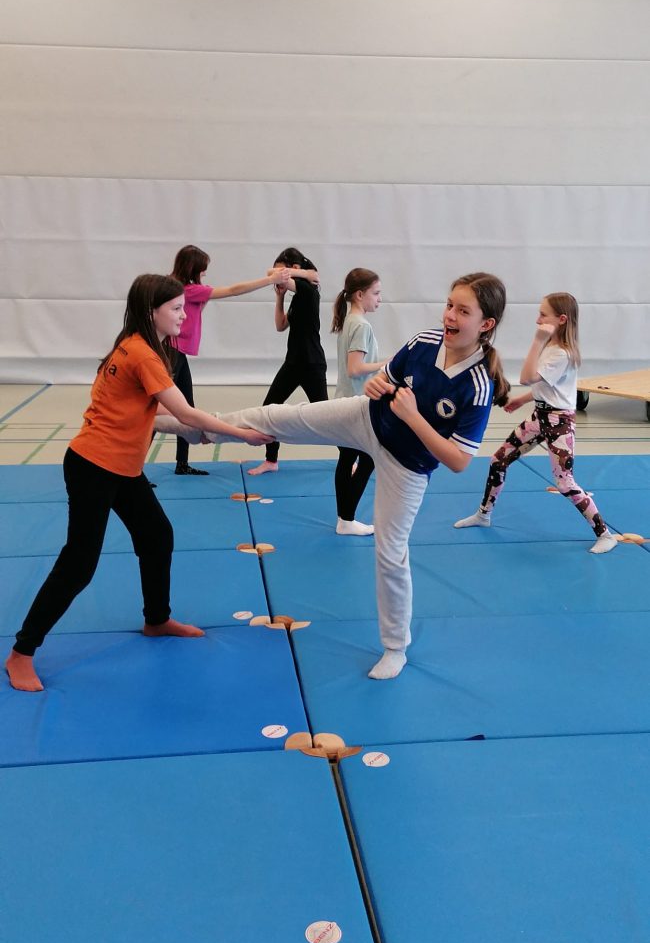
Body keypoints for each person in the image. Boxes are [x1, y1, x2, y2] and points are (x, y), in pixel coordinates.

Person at [155, 272, 509, 680]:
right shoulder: (425, 341)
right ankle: (192, 427)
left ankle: (395, 648)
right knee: (277, 417)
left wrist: (413, 418)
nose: (449, 315)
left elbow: (459, 461)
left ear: (485, 324)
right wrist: (379, 385)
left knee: (391, 552)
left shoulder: (478, 384)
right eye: (449, 305)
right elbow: (388, 378)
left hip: (408, 466)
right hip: (366, 420)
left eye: (462, 311)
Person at [4, 275, 266, 693]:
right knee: (79, 564)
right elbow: (185, 411)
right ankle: (21, 653)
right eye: (176, 309)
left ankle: (156, 619)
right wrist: (242, 434)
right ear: (151, 312)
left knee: (156, 535)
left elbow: (151, 413)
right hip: (94, 466)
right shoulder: (143, 355)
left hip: (121, 467)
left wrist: (194, 429)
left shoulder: (134, 344)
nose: (184, 316)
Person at [453, 292, 618, 554]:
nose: (538, 319)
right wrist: (522, 400)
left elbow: (526, 377)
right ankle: (484, 514)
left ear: (561, 319)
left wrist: (537, 340)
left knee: (565, 482)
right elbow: (547, 386)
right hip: (540, 417)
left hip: (559, 423)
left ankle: (605, 534)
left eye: (543, 315)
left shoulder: (561, 353)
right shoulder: (553, 347)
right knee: (498, 460)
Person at [170, 244, 291, 475]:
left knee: (185, 408)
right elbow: (234, 290)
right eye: (202, 268)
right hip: (172, 353)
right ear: (192, 268)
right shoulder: (189, 289)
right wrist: (270, 280)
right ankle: (137, 468)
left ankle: (181, 463)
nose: (205, 272)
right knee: (161, 411)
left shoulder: (178, 287)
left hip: (177, 353)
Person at [247, 248, 326, 477]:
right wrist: (280, 297)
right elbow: (280, 325)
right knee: (269, 409)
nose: (278, 276)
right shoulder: (297, 296)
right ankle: (271, 460)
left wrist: (306, 274)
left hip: (312, 364)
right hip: (293, 364)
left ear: (295, 269)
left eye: (283, 270)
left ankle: (351, 459)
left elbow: (270, 273)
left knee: (327, 418)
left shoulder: (308, 290)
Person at [331, 268, 384, 536]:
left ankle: (345, 519)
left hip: (345, 401)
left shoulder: (349, 321)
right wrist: (386, 364)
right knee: (368, 460)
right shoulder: (361, 325)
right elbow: (355, 369)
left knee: (347, 460)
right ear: (360, 295)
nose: (379, 299)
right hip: (357, 405)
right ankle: (347, 518)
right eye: (376, 293)